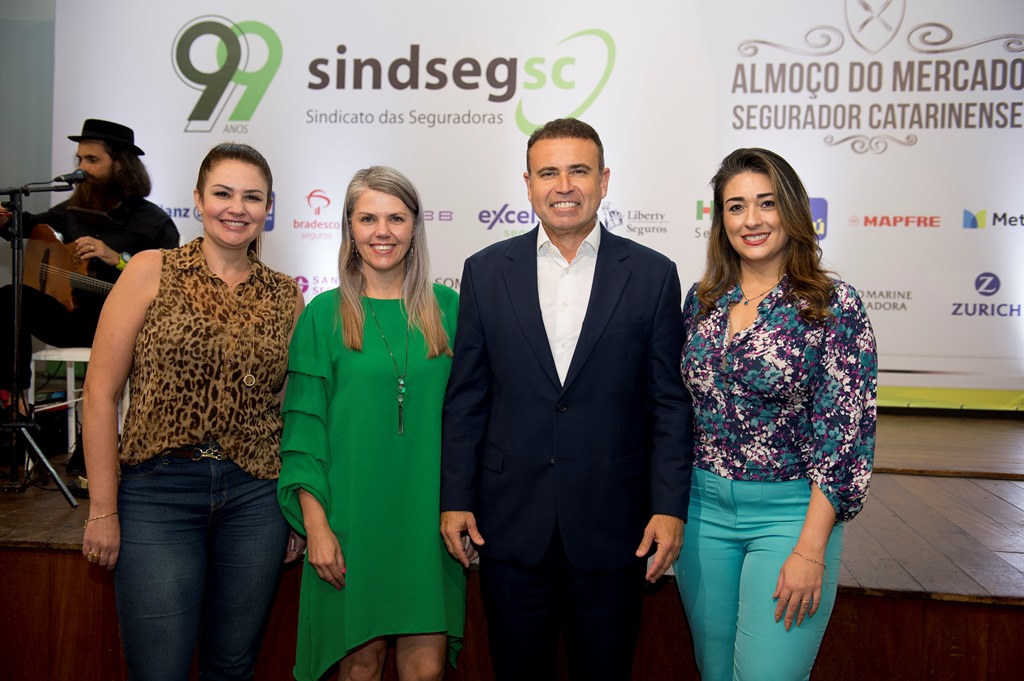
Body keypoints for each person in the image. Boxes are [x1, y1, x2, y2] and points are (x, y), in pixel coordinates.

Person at [440, 118, 694, 681]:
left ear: (604, 181)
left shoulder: (652, 275)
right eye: (548, 172)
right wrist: (455, 497)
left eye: (578, 170)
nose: (564, 186)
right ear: (527, 184)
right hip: (509, 523)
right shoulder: (485, 272)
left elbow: (670, 406)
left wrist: (670, 507)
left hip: (615, 527)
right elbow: (467, 400)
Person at [79, 142, 305, 681]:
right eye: (223, 193)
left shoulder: (285, 295)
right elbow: (99, 393)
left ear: (268, 207)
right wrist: (103, 509)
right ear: (198, 200)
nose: (237, 208)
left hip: (255, 496)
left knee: (233, 665)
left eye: (252, 197)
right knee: (159, 668)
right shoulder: (151, 270)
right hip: (158, 489)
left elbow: (290, 410)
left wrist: (295, 505)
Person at [674, 147, 877, 681]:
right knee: (714, 672)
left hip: (790, 518)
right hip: (702, 513)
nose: (752, 220)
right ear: (720, 220)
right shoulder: (703, 301)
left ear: (792, 210)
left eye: (767, 203)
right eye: (736, 206)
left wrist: (810, 549)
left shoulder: (832, 305)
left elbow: (845, 439)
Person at [277, 166, 465, 681]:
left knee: (425, 668)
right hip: (350, 519)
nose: (383, 231)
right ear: (350, 228)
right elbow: (303, 432)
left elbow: (473, 420)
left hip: (428, 518)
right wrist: (315, 526)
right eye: (368, 218)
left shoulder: (450, 310)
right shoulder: (323, 315)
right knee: (360, 664)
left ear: (415, 228)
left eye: (396, 218)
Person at [0, 118, 179, 408]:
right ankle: (15, 402)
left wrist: (117, 259)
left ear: (120, 165)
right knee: (10, 296)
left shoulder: (154, 222)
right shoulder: (73, 209)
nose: (81, 168)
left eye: (92, 160)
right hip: (73, 320)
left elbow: (170, 282)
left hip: (123, 326)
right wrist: (6, 220)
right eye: (80, 159)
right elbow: (30, 225)